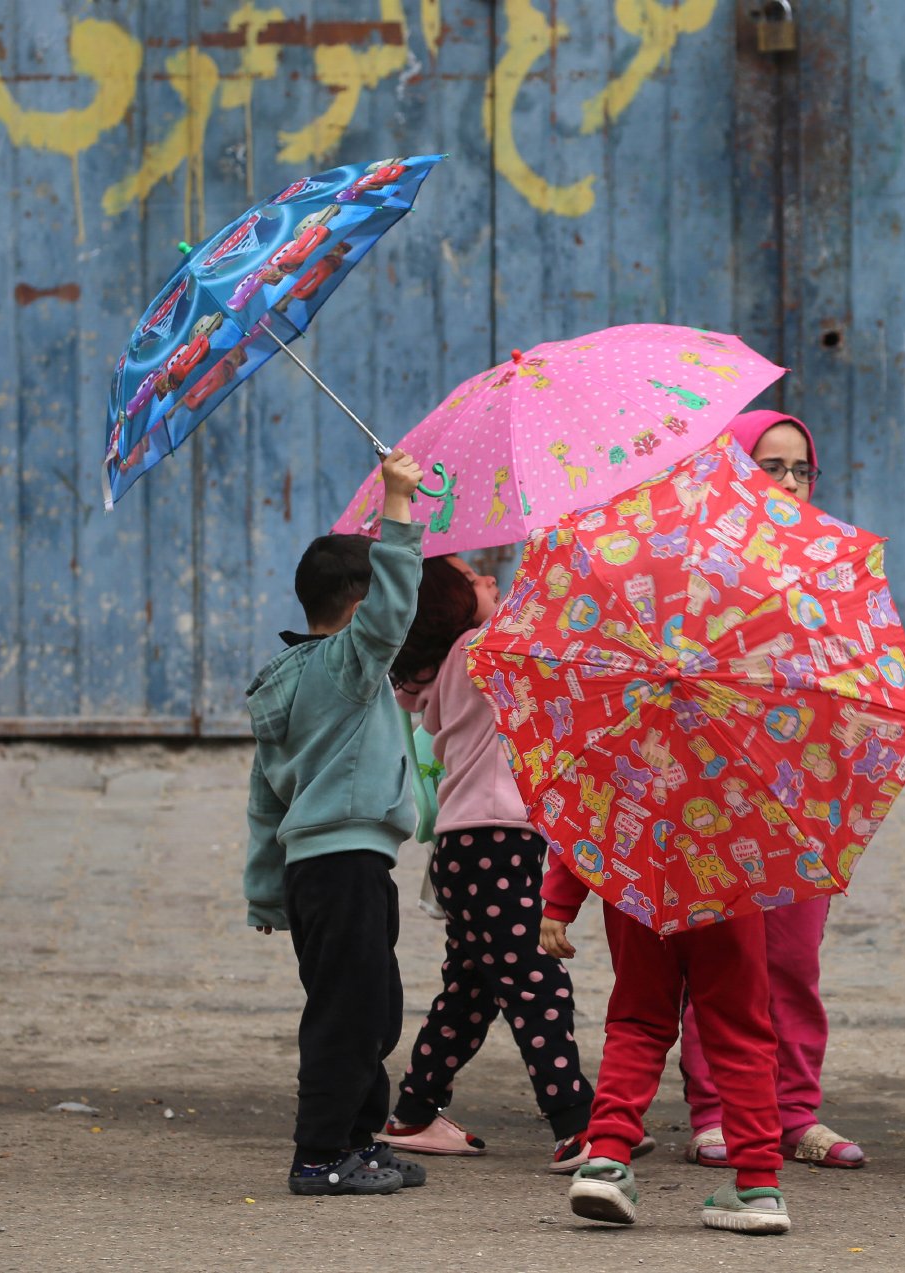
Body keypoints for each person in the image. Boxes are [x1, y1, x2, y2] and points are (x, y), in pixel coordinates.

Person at [241, 448, 433, 1197]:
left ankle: (358, 1144)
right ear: (357, 612)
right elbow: (394, 606)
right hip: (345, 865)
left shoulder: (285, 680)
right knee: (347, 1017)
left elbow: (266, 799)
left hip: (323, 871)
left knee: (372, 1010)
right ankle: (319, 1155)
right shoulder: (350, 667)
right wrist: (397, 501)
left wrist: (266, 891)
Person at [678, 410, 865, 1172]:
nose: (787, 482)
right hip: (719, 792)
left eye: (799, 468)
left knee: (793, 958)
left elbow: (862, 665)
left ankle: (794, 1110)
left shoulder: (833, 562)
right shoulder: (699, 561)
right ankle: (717, 1108)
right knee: (726, 961)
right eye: (769, 465)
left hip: (805, 791)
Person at [377, 554, 601, 1172]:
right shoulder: (482, 648)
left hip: (470, 849)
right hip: (496, 845)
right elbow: (547, 617)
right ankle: (577, 1127)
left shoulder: (449, 664)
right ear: (450, 605)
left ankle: (414, 1112)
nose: (489, 579)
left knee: (471, 991)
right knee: (537, 983)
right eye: (472, 578)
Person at [541, 848, 792, 1234]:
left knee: (636, 1023)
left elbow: (584, 823)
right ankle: (757, 1185)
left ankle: (606, 1161)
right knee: (741, 1034)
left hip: (639, 889)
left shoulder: (620, 780)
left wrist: (560, 902)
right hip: (729, 891)